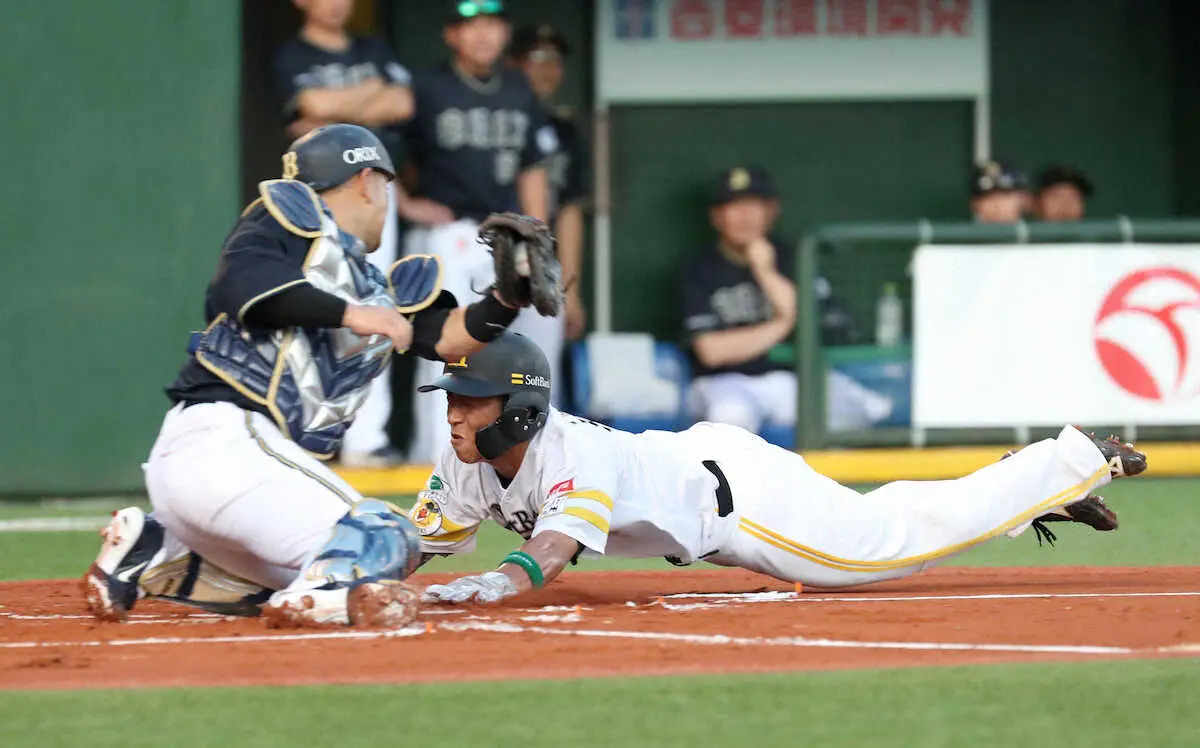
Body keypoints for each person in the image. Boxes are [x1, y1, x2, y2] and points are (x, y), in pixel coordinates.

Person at [82, 125, 559, 628]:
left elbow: (453, 338)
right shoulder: (288, 217)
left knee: (297, 571)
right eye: (385, 187)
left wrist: (508, 299)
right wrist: (353, 315)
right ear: (367, 181)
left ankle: (155, 550)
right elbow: (240, 288)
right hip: (223, 443)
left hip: (235, 480)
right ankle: (317, 605)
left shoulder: (375, 286)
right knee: (384, 537)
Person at [411, 333, 1146, 605]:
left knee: (891, 550)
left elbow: (551, 551)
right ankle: (1020, 485)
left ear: (520, 408)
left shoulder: (573, 451)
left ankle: (1072, 461)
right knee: (887, 523)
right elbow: (418, 542)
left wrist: (495, 582)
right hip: (705, 466)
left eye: (472, 400)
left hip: (745, 503)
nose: (454, 414)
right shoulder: (464, 457)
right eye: (453, 398)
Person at [401, 0, 559, 462]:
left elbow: (532, 167)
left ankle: (535, 452)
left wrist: (538, 235)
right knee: (447, 348)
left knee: (532, 342)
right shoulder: (427, 87)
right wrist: (409, 203)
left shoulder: (518, 87)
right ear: (452, 33)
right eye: (472, 25)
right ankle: (438, 457)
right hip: (452, 231)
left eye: (492, 23)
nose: (484, 34)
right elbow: (390, 155)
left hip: (510, 234)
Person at [273, 0, 418, 465]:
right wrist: (367, 99)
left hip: (374, 188)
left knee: (376, 298)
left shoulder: (372, 47)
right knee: (322, 301)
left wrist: (332, 115)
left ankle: (366, 436)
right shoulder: (292, 56)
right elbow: (309, 106)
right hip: (317, 193)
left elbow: (403, 102)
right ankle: (314, 431)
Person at [681, 166, 891, 436]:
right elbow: (712, 352)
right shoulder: (698, 270)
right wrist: (784, 324)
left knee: (860, 409)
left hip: (793, 380)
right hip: (727, 383)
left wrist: (765, 271)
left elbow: (821, 326)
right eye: (734, 205)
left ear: (772, 210)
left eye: (753, 204)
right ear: (716, 217)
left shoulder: (796, 258)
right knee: (729, 417)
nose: (745, 215)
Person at [510, 23, 590, 345]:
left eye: (555, 60)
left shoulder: (565, 133)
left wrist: (570, 289)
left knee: (538, 374)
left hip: (540, 263)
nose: (547, 69)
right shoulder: (496, 119)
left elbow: (569, 211)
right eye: (537, 57)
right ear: (512, 64)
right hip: (485, 255)